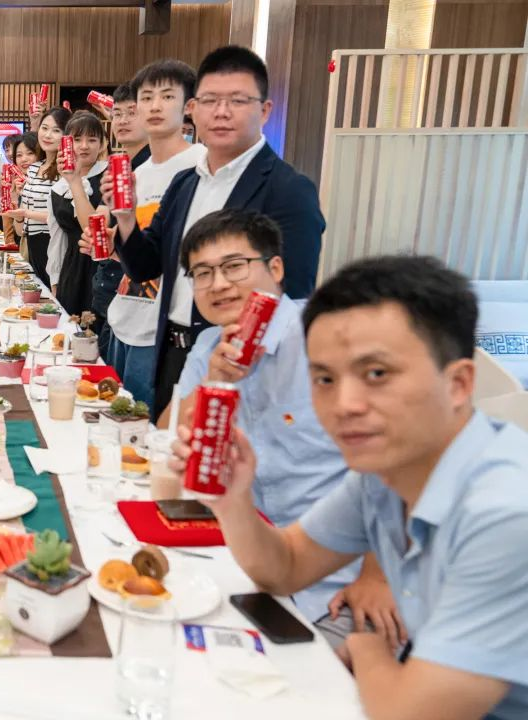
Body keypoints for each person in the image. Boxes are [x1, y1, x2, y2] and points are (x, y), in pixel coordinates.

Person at [167, 255, 528, 720]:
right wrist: (233, 498)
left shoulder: (504, 513)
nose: (345, 404)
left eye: (376, 374)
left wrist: (365, 648)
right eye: (325, 379)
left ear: (458, 383)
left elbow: (407, 713)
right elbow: (284, 567)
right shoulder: (384, 475)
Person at [171, 208, 397, 626]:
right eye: (202, 273)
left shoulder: (330, 341)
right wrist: (216, 381)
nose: (218, 284)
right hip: (244, 551)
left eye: (234, 266)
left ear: (275, 268)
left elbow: (402, 459)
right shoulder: (207, 346)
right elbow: (179, 442)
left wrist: (378, 576)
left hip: (339, 577)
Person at [106, 45, 325, 419]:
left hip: (240, 366)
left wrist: (245, 365)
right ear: (194, 109)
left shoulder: (288, 190)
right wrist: (125, 218)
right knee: (166, 446)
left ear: (264, 110)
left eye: (238, 100)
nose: (221, 112)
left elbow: (294, 295)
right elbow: (145, 267)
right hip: (170, 351)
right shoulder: (185, 183)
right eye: (209, 101)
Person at [91, 60, 206, 410]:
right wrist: (115, 239)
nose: (154, 106)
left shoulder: (201, 165)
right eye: (146, 98)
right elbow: (141, 259)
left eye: (167, 96)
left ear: (189, 107)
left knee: (147, 428)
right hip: (124, 316)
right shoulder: (137, 174)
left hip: (166, 331)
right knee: (114, 421)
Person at [92, 84, 151, 360]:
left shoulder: (154, 168)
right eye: (117, 113)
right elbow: (102, 219)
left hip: (142, 307)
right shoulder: (123, 163)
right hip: (115, 293)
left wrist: (116, 242)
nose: (123, 120)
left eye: (132, 112)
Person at [47, 111, 106, 315]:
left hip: (104, 268)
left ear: (102, 144)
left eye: (92, 140)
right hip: (71, 270)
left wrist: (75, 182)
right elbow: (57, 239)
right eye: (77, 139)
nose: (84, 146)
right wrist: (55, 280)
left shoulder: (109, 177)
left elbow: (94, 231)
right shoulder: (58, 188)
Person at [6, 106, 71, 286]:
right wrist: (18, 214)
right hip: (31, 243)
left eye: (56, 130)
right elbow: (21, 229)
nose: (48, 135)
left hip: (55, 244)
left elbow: (64, 216)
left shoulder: (66, 170)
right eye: (44, 128)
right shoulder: (34, 168)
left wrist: (26, 214)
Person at [8, 132, 42, 259]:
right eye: (19, 155)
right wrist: (15, 198)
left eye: (30, 153)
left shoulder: (50, 182)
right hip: (29, 247)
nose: (24, 159)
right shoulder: (24, 184)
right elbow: (19, 231)